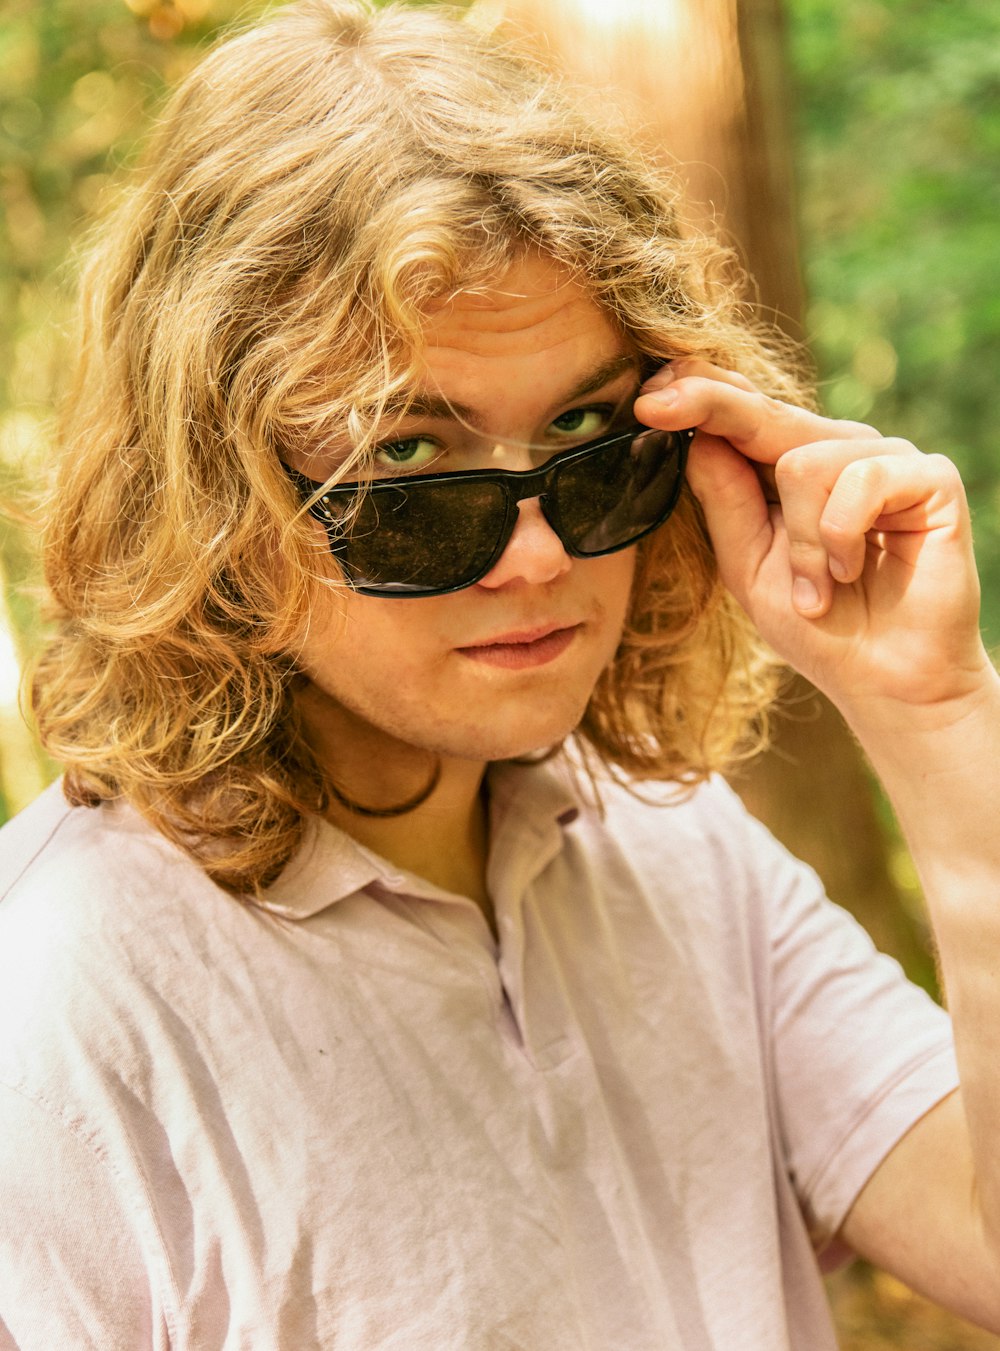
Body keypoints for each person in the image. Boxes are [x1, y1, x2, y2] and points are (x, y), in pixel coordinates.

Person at [1, 1, 998, 1346]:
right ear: (212, 502)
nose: (536, 558)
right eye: (412, 465)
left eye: (591, 437)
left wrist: (933, 716)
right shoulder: (54, 1005)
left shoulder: (673, 842)